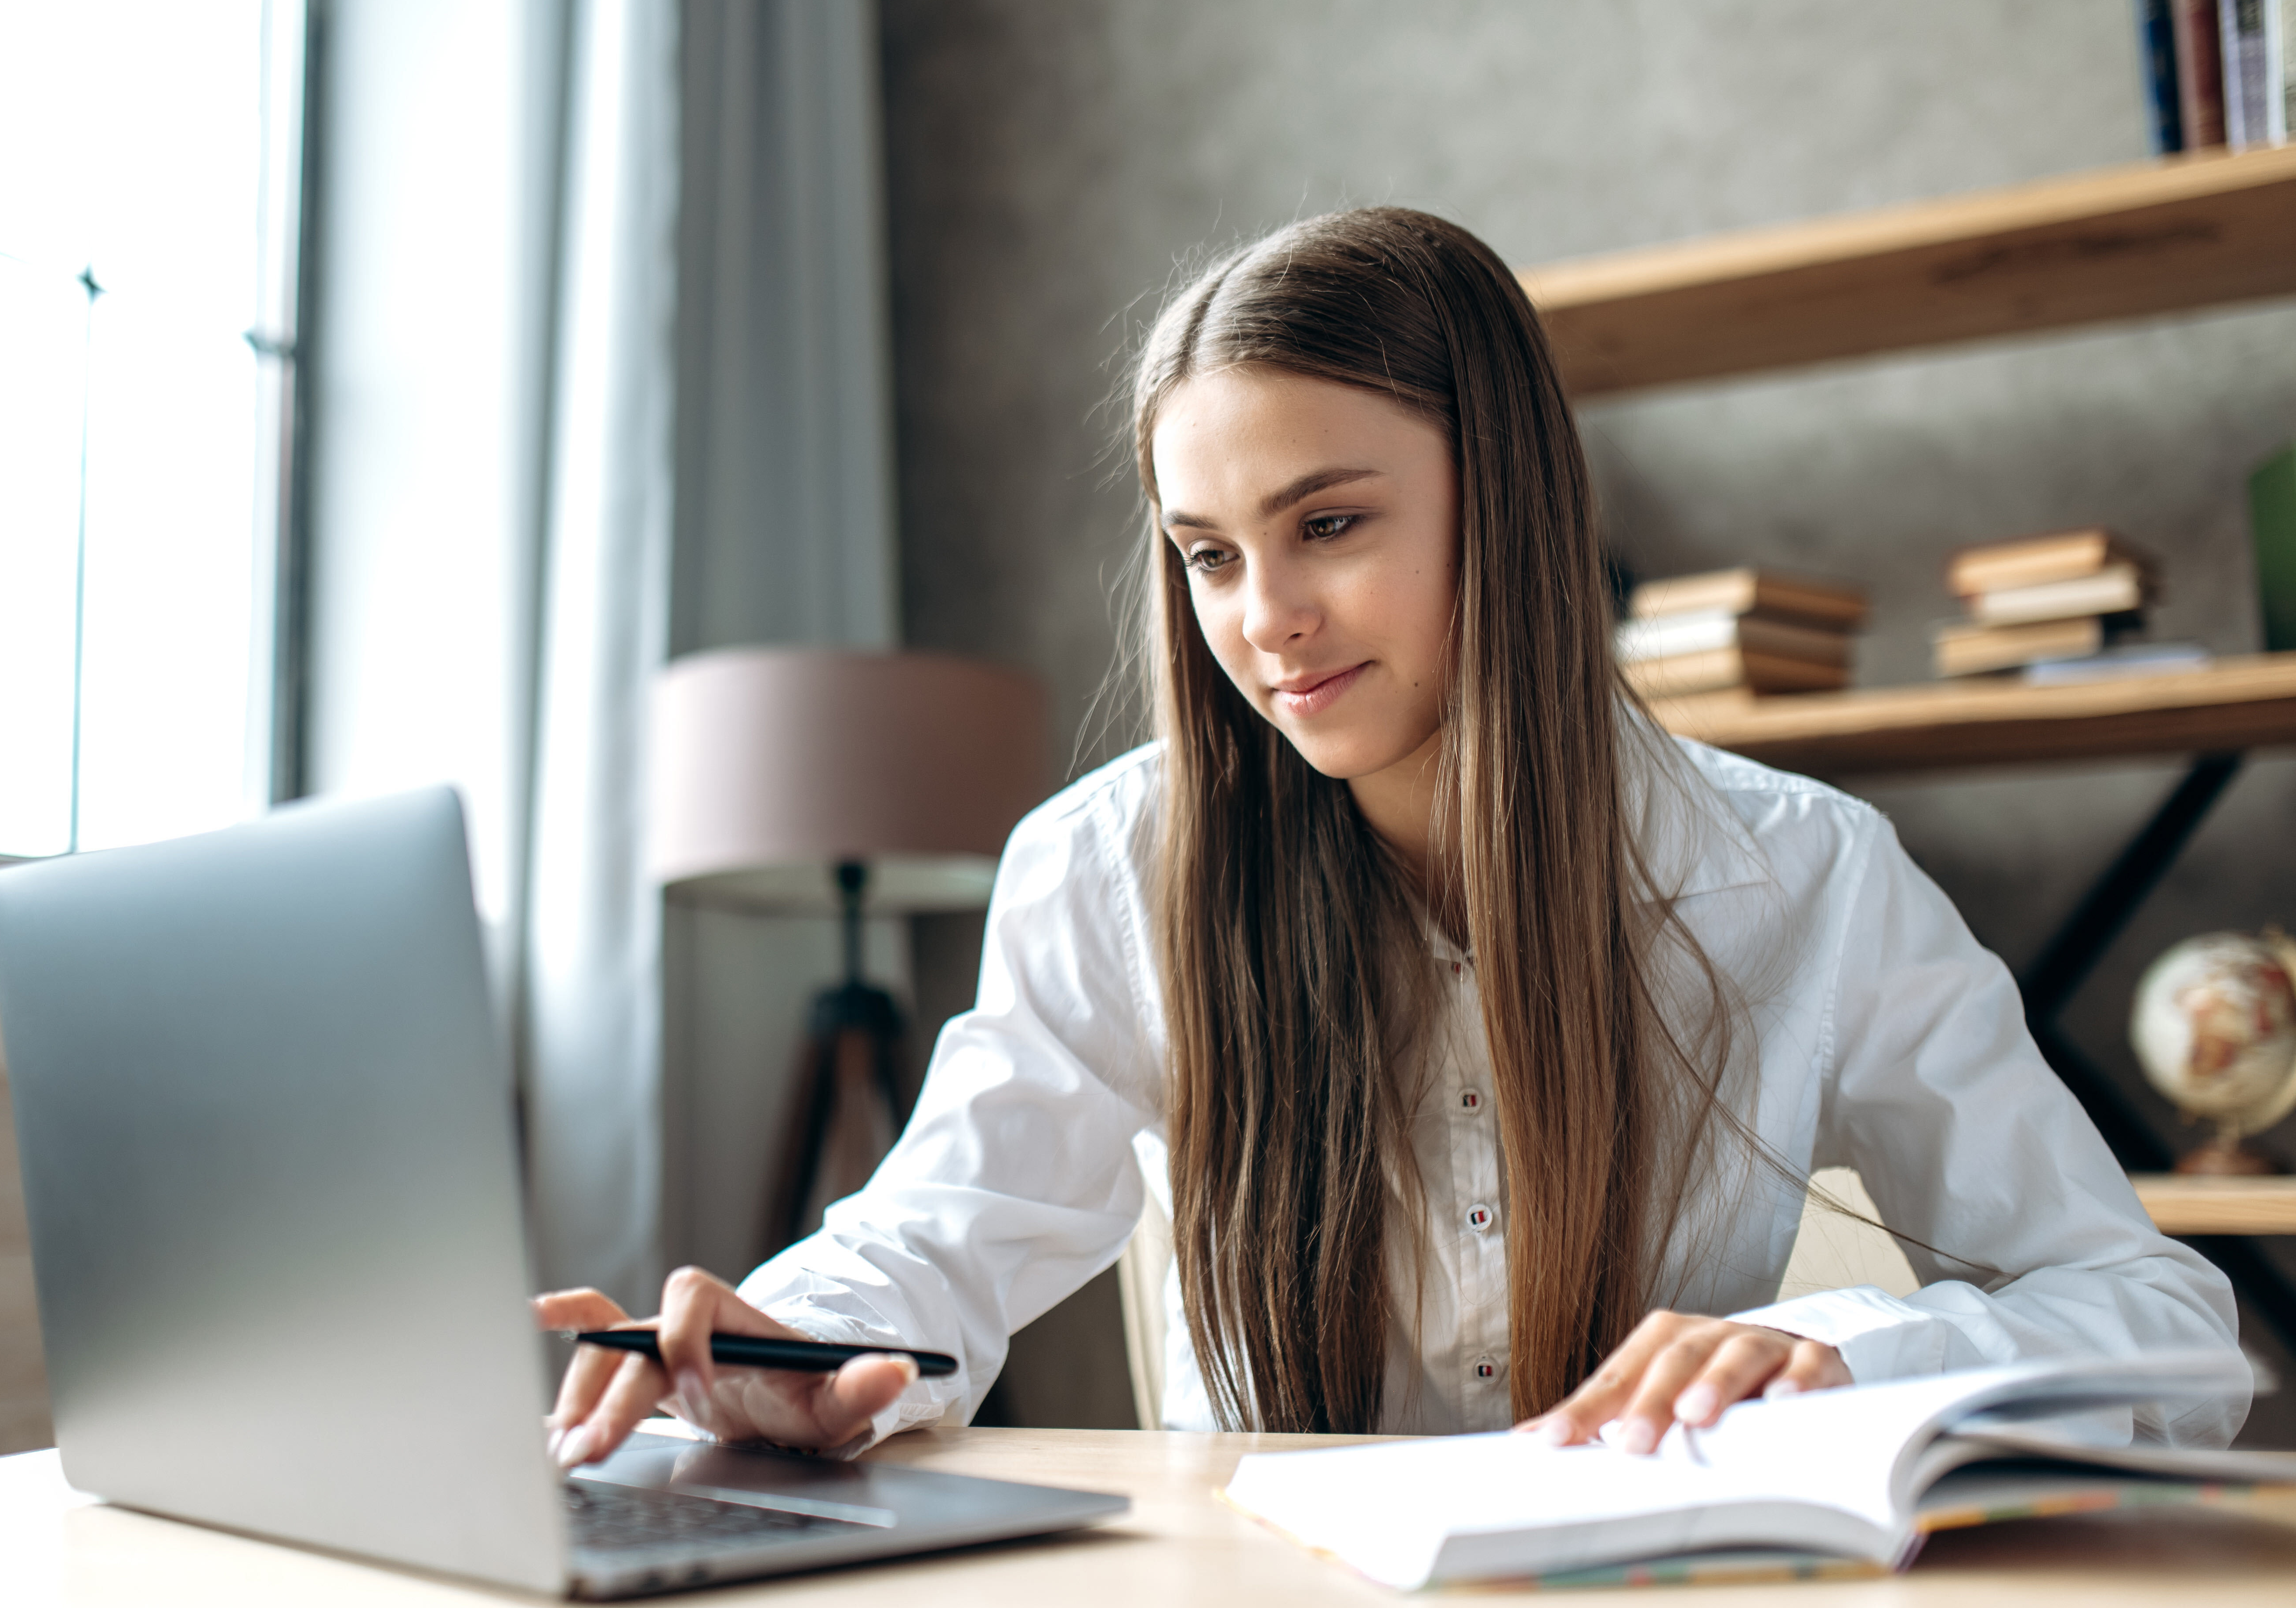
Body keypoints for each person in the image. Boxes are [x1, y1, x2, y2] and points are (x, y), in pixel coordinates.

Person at [538, 207, 2246, 1468]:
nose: (1267, 618)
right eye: (1208, 554)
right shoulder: (1112, 866)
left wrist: (1840, 1350)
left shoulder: (1802, 872)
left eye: (1330, 524)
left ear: (1499, 493)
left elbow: (2163, 1328)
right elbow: (939, 1240)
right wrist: (786, 1339)